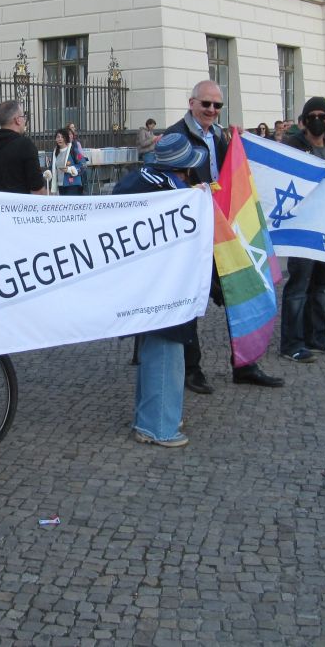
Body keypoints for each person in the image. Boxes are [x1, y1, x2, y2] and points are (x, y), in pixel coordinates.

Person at [111, 132, 214, 446]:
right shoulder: (176, 191)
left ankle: (149, 416)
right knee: (168, 347)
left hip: (139, 278)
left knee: (153, 345)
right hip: (168, 282)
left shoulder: (133, 179)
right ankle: (158, 425)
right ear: (181, 168)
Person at [165, 80, 230, 394]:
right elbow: (165, 182)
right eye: (206, 104)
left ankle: (245, 360)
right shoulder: (176, 135)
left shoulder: (219, 134)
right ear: (192, 103)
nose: (212, 111)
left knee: (234, 289)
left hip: (221, 225)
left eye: (217, 106)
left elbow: (228, 172)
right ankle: (192, 368)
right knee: (190, 297)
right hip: (192, 230)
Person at [279, 98, 325, 363]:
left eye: (323, 116)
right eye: (312, 116)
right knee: (298, 285)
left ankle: (317, 335)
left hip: (324, 225)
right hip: (301, 227)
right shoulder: (293, 146)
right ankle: (291, 342)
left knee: (319, 284)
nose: (318, 120)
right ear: (304, 121)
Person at [0, 101, 47, 194]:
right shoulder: (25, 145)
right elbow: (38, 190)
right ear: (17, 120)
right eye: (23, 116)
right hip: (22, 206)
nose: (24, 120)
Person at [49, 127, 88, 195]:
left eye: (62, 137)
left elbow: (83, 164)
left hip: (73, 185)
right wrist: (48, 173)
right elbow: (52, 167)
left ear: (66, 138)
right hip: (60, 186)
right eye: (58, 137)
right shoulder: (55, 152)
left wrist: (70, 169)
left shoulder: (73, 150)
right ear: (55, 139)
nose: (60, 139)